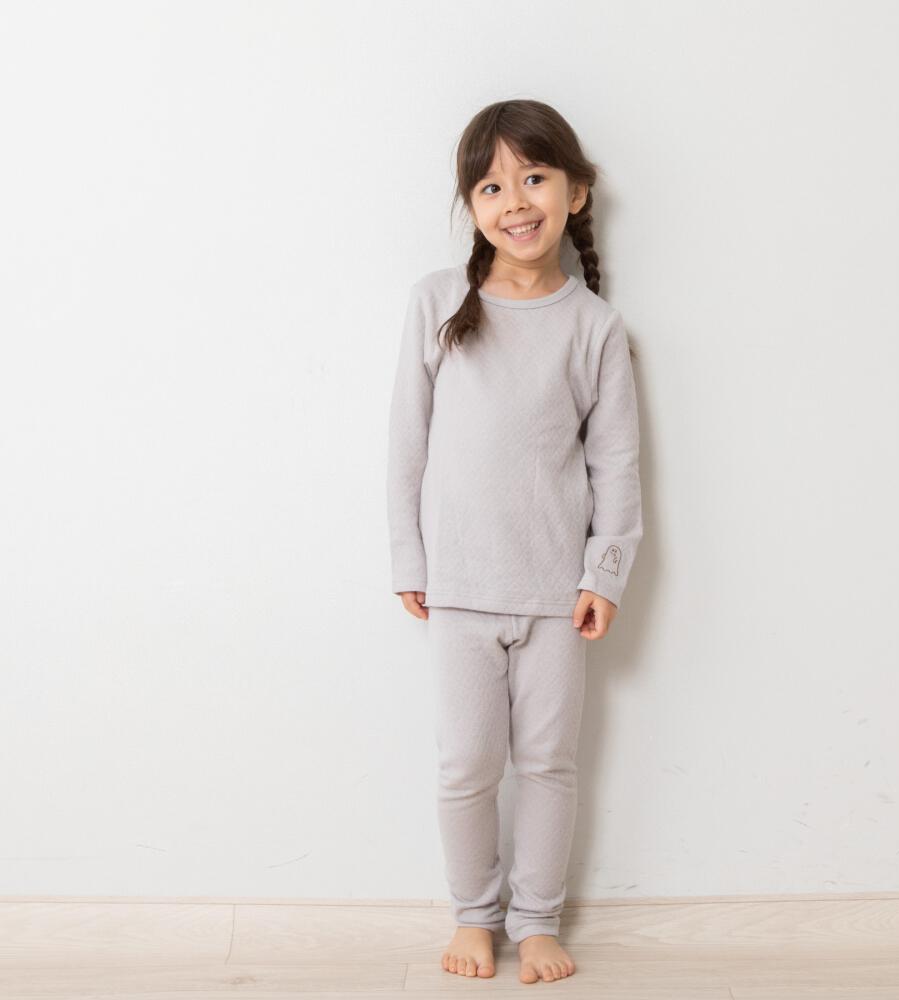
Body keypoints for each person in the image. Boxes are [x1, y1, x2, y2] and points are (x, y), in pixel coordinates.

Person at [386, 98, 643, 985]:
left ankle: (536, 921)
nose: (515, 201)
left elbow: (616, 466)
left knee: (547, 765)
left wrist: (605, 574)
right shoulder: (437, 303)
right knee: (466, 766)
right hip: (457, 588)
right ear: (472, 204)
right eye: (491, 186)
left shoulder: (595, 327)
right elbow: (406, 445)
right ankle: (474, 915)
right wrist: (408, 559)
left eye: (533, 177)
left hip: (554, 594)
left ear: (576, 193)